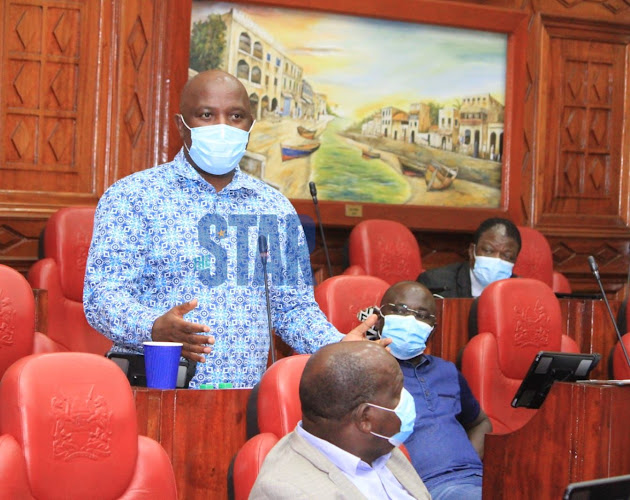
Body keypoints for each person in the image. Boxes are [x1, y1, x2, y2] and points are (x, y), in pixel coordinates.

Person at [83, 69, 373, 389]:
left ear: (249, 127)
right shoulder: (132, 197)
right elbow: (101, 298)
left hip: (243, 399)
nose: (222, 127)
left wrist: (338, 347)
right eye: (206, 115)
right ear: (182, 125)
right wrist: (152, 327)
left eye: (235, 116)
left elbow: (293, 309)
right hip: (158, 393)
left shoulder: (275, 208)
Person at [250, 341, 431, 500]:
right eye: (397, 392)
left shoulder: (379, 447)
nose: (407, 398)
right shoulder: (286, 492)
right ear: (365, 419)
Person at [375, 281, 492, 500]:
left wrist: (467, 464)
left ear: (432, 330)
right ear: (380, 318)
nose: (410, 320)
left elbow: (480, 422)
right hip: (420, 490)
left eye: (421, 315)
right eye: (400, 310)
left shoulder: (446, 370)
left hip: (478, 481)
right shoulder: (366, 372)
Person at [416, 217, 521, 298]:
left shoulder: (522, 292)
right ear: (472, 251)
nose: (496, 259)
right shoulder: (435, 283)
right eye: (488, 251)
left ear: (515, 260)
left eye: (507, 255)